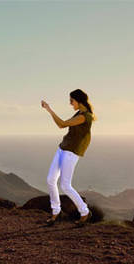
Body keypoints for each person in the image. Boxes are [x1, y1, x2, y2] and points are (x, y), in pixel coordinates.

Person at [41, 89, 96, 226]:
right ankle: (56, 211)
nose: (70, 103)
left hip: (71, 153)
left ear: (79, 101)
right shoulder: (79, 113)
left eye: (72, 101)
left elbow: (62, 124)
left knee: (65, 185)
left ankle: (84, 212)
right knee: (50, 180)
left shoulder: (85, 116)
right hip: (62, 149)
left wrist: (49, 109)